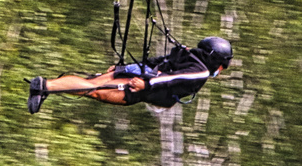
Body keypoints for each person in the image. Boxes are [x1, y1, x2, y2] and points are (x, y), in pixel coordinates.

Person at [27, 36, 232, 114]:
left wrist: (123, 68)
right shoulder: (201, 70)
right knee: (94, 90)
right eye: (222, 66)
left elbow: (155, 61)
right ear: (215, 59)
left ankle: (45, 87)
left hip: (140, 72)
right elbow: (169, 79)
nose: (220, 71)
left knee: (91, 86)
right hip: (141, 85)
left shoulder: (186, 53)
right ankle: (45, 87)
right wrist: (145, 85)